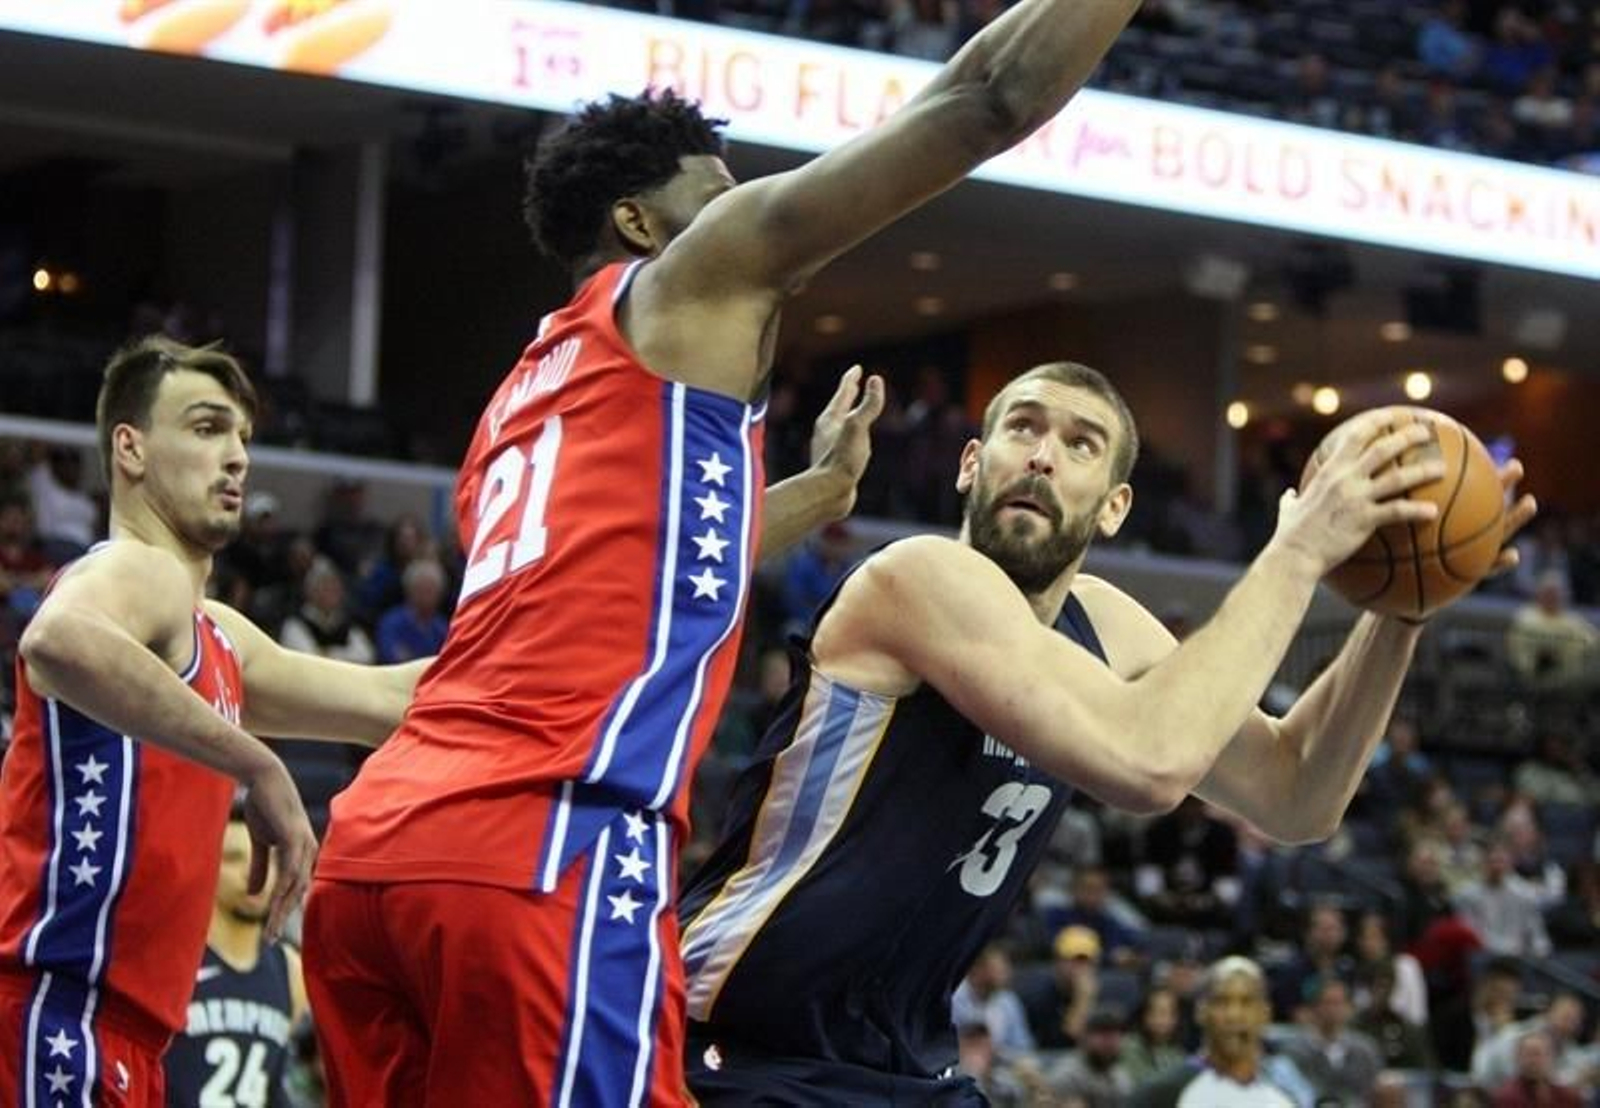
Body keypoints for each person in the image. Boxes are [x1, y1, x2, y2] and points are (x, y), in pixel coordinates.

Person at [304, 0, 1153, 1098]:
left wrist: (818, 492)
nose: (745, 205)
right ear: (642, 224)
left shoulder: (521, 404)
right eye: (715, 189)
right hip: (541, 846)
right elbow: (985, 98)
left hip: (375, 853)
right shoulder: (688, 283)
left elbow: (651, 561)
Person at [680, 361, 1535, 1101]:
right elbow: (1150, 765)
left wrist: (1402, 613)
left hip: (906, 1063)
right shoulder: (916, 576)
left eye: (1082, 444)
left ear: (1116, 506)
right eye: (1022, 429)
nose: (1044, 455)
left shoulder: (1110, 627)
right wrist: (1296, 553)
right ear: (970, 467)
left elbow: (1295, 793)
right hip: (743, 1046)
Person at [0, 337, 427, 1105]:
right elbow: (55, 639)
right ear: (129, 449)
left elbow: (391, 700)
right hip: (51, 1012)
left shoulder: (218, 634)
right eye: (204, 428)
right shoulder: (137, 570)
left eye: (242, 437)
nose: (234, 456)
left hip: (120, 1033)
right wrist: (257, 763)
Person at [164, 804, 307, 1108]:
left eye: (264, 859)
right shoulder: (172, 960)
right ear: (205, 866)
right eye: (232, 859)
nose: (253, 871)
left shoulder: (291, 970)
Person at [1132, 957, 1311, 1107]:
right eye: (1221, 1001)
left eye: (1247, 1002)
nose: (1234, 1015)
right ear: (1200, 1012)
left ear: (1265, 1014)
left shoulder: (1281, 1101)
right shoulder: (1163, 1094)